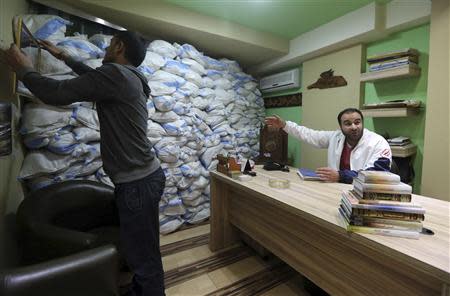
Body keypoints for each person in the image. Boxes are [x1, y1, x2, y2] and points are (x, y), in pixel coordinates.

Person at [2, 31, 166, 296]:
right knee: (143, 248)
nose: (107, 50)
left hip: (137, 183)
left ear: (119, 46)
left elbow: (55, 93)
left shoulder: (116, 76)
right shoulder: (130, 78)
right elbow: (94, 77)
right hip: (145, 178)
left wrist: (24, 69)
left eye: (111, 45)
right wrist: (65, 56)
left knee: (143, 256)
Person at [265, 108, 391, 184]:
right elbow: (309, 135)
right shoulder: (336, 137)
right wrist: (284, 125)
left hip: (362, 194)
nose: (353, 127)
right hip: (335, 189)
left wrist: (340, 176)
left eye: (357, 122)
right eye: (347, 123)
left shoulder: (378, 142)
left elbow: (377, 175)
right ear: (340, 127)